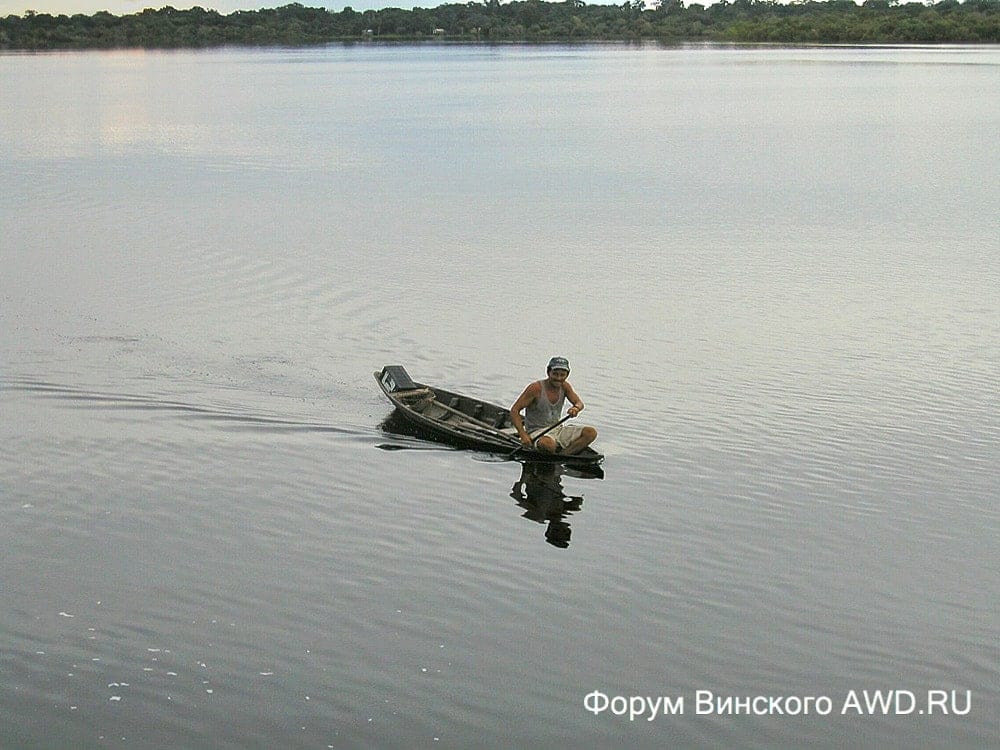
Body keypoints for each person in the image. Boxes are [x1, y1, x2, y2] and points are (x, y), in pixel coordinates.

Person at [510, 357, 598, 455]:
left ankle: (565, 455)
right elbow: (514, 410)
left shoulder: (565, 386)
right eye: (555, 374)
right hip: (537, 432)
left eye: (562, 375)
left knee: (591, 433)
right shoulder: (536, 388)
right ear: (548, 372)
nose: (559, 378)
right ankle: (557, 454)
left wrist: (575, 408)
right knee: (547, 445)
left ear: (567, 375)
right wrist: (523, 435)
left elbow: (579, 403)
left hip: (557, 429)